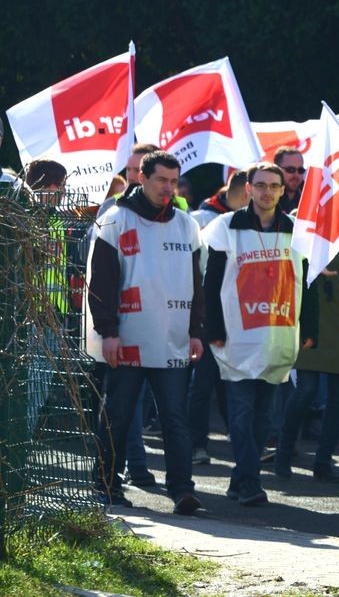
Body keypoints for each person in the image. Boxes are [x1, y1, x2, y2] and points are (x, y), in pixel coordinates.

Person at [87, 150, 205, 515]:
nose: (169, 188)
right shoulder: (115, 220)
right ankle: (107, 485)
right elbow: (101, 283)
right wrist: (108, 332)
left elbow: (196, 284)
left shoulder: (187, 225)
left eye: (174, 181)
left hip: (173, 340)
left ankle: (182, 490)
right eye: (161, 180)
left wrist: (196, 331)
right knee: (118, 416)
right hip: (127, 339)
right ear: (142, 178)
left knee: (175, 417)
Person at [204, 162, 317, 506]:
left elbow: (305, 283)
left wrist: (310, 328)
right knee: (240, 413)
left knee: (266, 418)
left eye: (274, 186)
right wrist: (214, 327)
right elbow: (212, 282)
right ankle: (251, 481)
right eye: (261, 185)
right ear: (249, 188)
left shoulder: (296, 231)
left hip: (278, 336)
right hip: (237, 336)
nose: (268, 192)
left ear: (284, 191)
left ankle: (240, 478)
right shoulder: (225, 227)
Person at [275, 244, 339, 483]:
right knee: (306, 390)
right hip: (313, 314)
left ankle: (323, 462)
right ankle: (283, 454)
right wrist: (312, 266)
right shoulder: (308, 227)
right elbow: (289, 257)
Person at [187, 169, 249, 465]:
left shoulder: (253, 223)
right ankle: (197, 444)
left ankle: (241, 442)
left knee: (233, 384)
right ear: (245, 191)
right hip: (210, 314)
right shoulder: (202, 219)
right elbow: (196, 271)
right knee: (203, 383)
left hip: (241, 317)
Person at [273, 146, 306, 214]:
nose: (296, 175)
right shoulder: (266, 197)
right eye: (291, 170)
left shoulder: (311, 196)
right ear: (276, 170)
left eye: (300, 170)